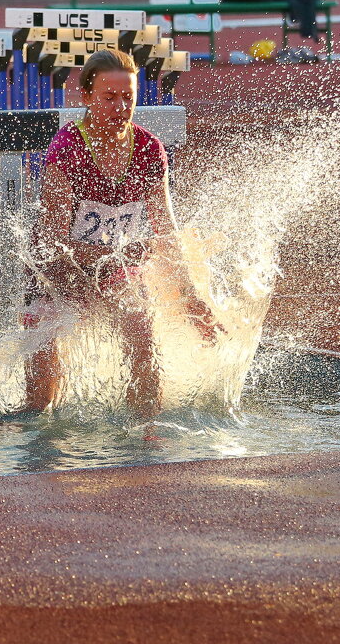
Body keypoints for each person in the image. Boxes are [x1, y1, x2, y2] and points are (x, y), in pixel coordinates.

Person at [22, 49, 219, 419]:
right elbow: (54, 240)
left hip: (114, 263)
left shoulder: (147, 149)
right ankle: (36, 432)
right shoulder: (67, 149)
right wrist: (113, 255)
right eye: (109, 97)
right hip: (56, 268)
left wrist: (191, 297)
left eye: (128, 97)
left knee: (141, 331)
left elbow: (166, 231)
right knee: (43, 364)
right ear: (86, 97)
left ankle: (145, 430)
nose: (120, 107)